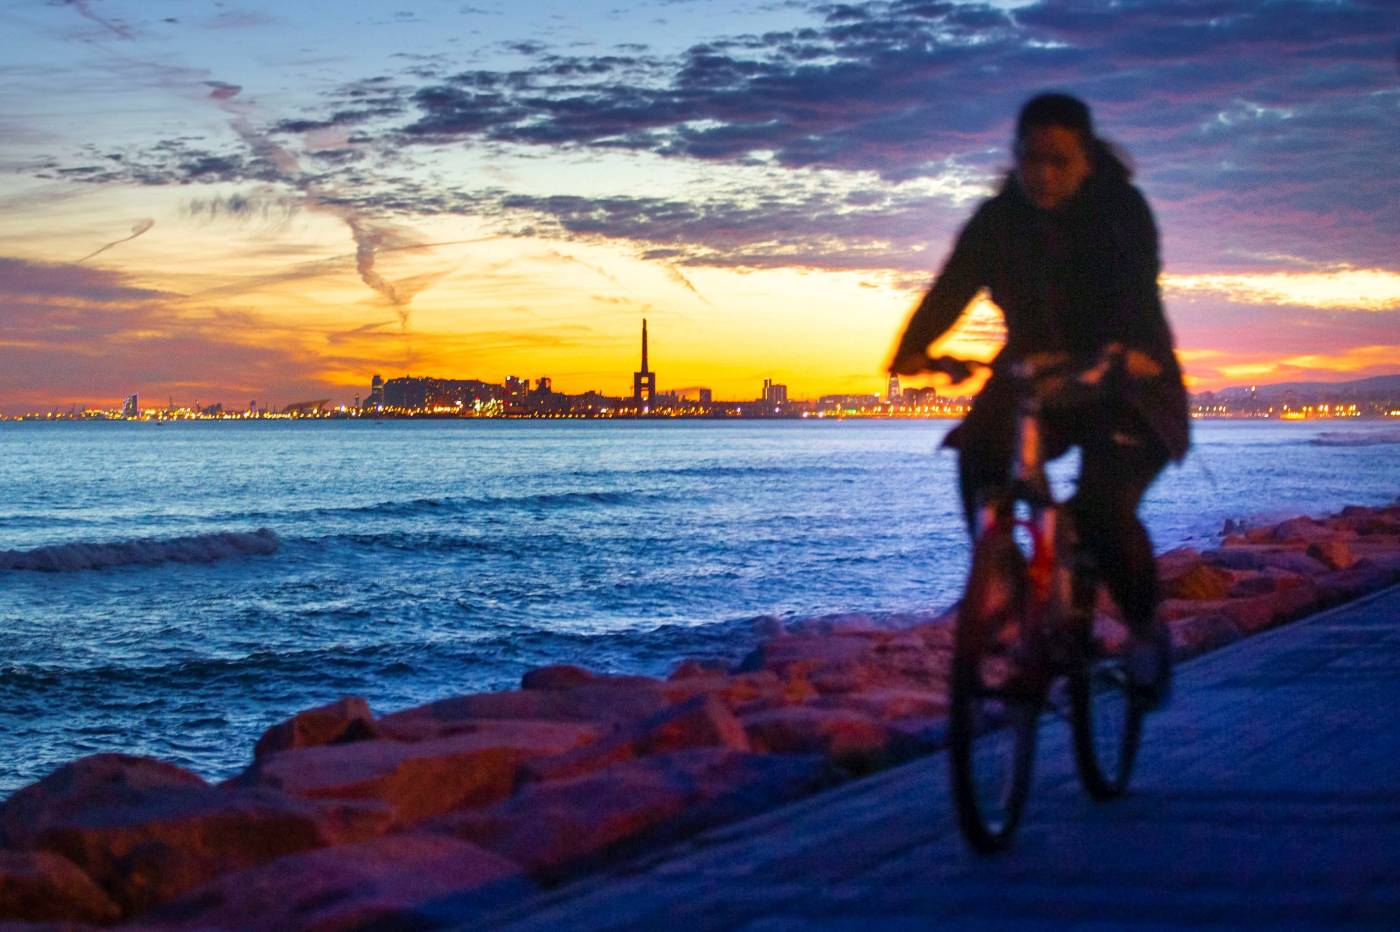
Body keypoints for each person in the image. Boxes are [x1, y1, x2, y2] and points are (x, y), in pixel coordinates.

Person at [889, 92, 1189, 707]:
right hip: (1035, 378)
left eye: (1059, 160)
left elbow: (1137, 287)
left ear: (1086, 159)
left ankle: (1142, 631)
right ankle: (1000, 576)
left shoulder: (1120, 210)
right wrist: (912, 351)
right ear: (1015, 157)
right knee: (977, 450)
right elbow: (950, 289)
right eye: (1031, 159)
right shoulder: (998, 220)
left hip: (1130, 381)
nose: (1043, 175)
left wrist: (1124, 351)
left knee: (1104, 512)